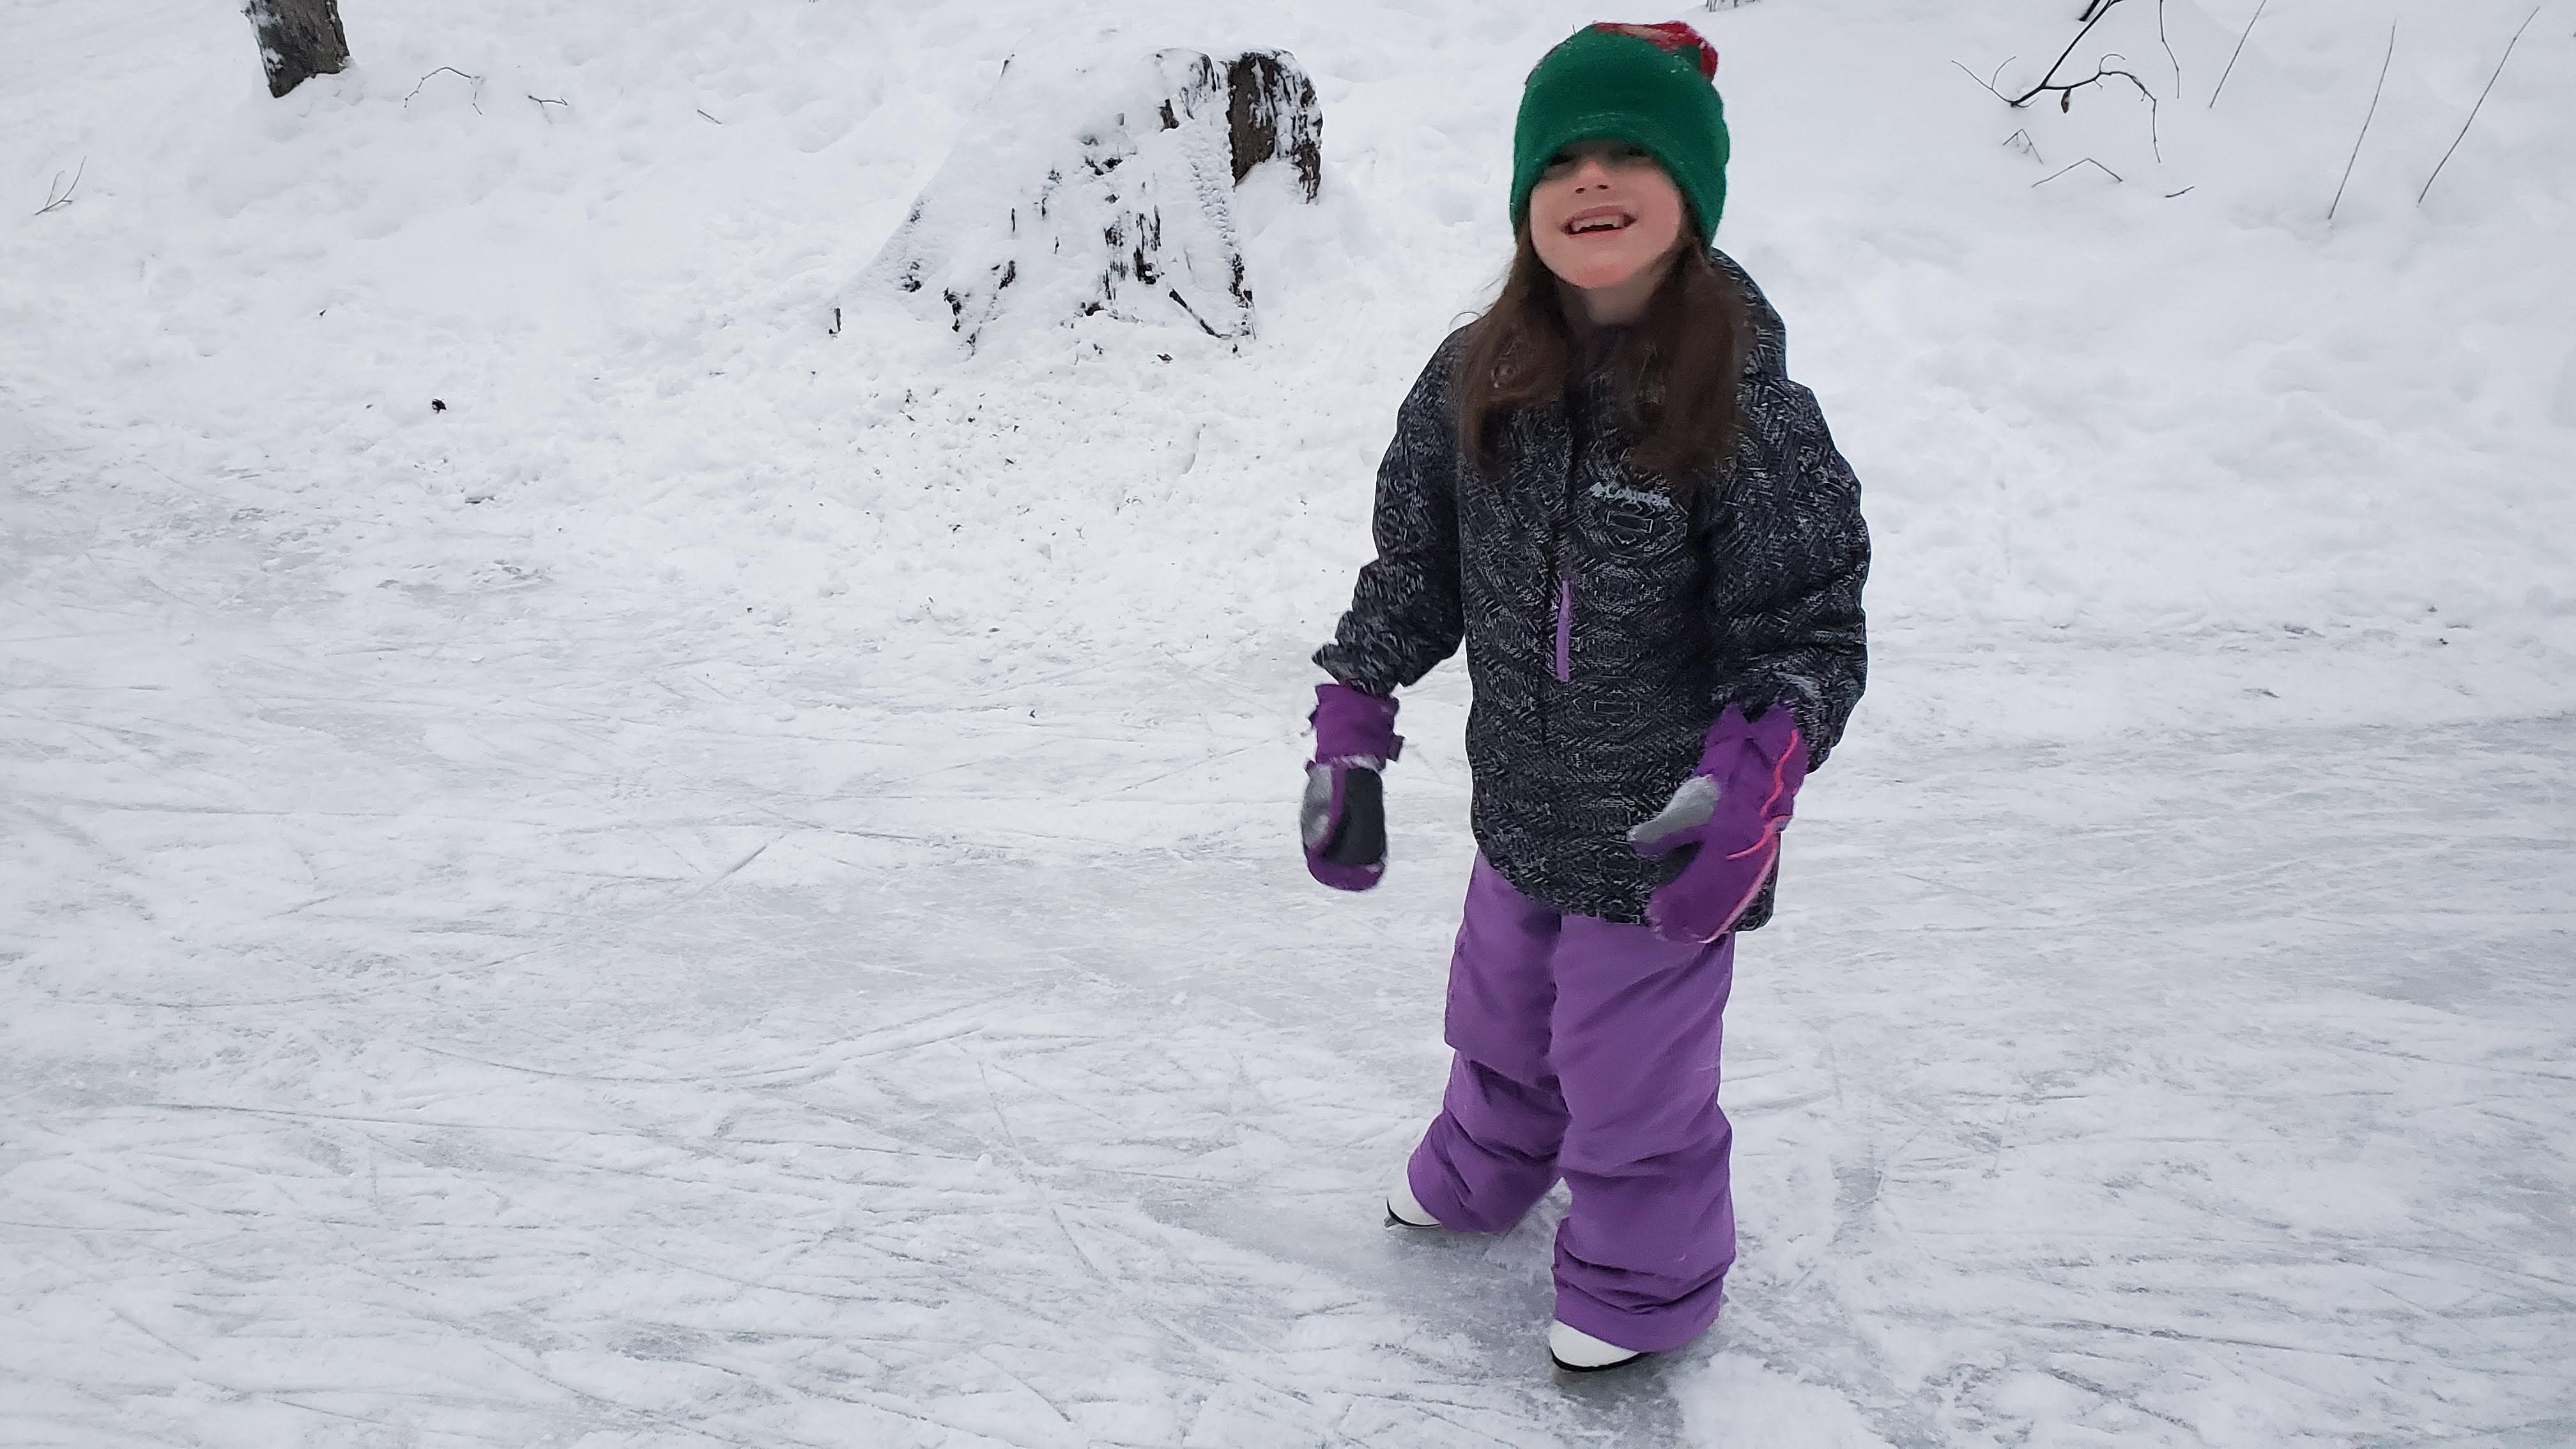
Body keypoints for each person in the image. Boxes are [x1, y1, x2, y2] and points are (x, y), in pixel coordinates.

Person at [1300, 20, 1869, 1374]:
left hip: (1668, 842)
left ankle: (1639, 1280)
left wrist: (1752, 779)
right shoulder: (1474, 378)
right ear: (1525, 199)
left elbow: (1806, 627)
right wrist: (1352, 719)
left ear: (1691, 193)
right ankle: (1485, 1165)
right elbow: (1417, 568)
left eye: (1629, 154)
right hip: (1519, 810)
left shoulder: (1749, 406)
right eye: (1560, 159)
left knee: (1633, 1079)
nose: (1591, 180)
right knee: (1497, 1017)